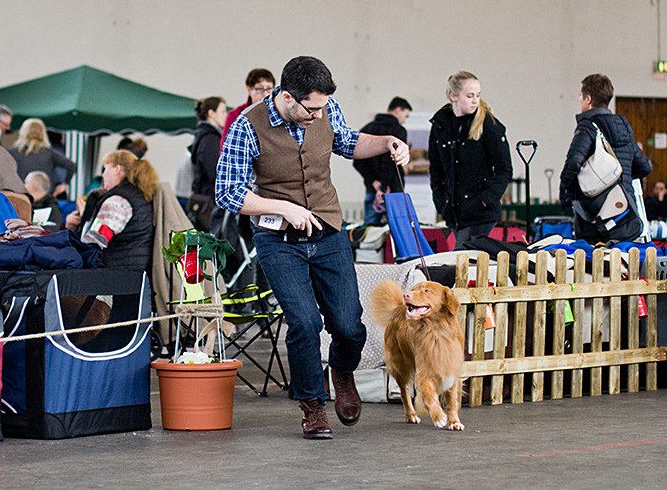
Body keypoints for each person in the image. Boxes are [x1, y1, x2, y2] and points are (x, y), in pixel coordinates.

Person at [215, 56, 409, 440]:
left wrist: (387, 142)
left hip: (329, 233)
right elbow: (227, 191)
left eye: (324, 107)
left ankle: (341, 370)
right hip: (278, 241)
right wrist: (281, 206)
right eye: (312, 108)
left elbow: (350, 142)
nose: (320, 116)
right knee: (304, 323)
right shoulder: (246, 126)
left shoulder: (324, 108)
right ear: (286, 97)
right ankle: (313, 406)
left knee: (349, 326)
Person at [559, 74, 652, 243]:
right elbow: (645, 167)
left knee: (593, 264)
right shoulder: (623, 125)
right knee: (623, 264)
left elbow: (574, 160)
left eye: (580, 96)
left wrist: (564, 191)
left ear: (588, 99)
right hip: (625, 211)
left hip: (595, 214)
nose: (579, 100)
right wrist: (623, 176)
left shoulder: (587, 126)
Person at [428, 73, 513, 248]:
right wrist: (441, 201)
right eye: (469, 96)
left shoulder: (489, 125)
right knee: (462, 261)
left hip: (480, 212)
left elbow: (504, 169)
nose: (475, 100)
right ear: (453, 96)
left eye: (478, 95)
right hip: (454, 211)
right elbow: (436, 169)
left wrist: (485, 199)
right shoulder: (440, 126)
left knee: (461, 258)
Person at [78, 150, 158, 271]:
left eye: (105, 169)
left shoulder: (117, 201)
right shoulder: (141, 195)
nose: (103, 175)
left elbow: (95, 242)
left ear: (117, 169)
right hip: (135, 271)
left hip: (116, 274)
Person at [354, 96, 412, 225]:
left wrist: (373, 181)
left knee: (369, 234)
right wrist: (384, 187)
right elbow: (390, 162)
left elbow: (357, 161)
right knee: (399, 230)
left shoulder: (366, 129)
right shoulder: (399, 131)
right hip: (392, 190)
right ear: (398, 110)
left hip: (372, 188)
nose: (404, 121)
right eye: (405, 116)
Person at [8, 118, 77, 197]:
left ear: (23, 132)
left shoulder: (13, 153)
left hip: (22, 198)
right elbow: (71, 165)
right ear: (43, 133)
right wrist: (65, 184)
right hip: (46, 199)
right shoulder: (49, 153)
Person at [187, 97, 227, 231]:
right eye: (222, 111)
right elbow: (215, 173)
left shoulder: (202, 135)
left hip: (202, 198)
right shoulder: (210, 138)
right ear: (211, 113)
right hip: (210, 201)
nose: (226, 115)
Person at [220, 68, 276, 147]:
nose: (265, 94)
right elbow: (225, 148)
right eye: (260, 89)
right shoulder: (235, 115)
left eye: (269, 89)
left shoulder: (278, 115)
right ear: (249, 90)